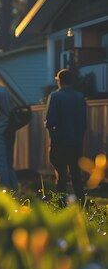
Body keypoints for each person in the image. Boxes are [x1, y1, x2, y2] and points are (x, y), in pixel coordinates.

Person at [45, 68, 87, 203]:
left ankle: (61, 204)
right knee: (76, 175)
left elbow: (50, 121)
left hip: (59, 142)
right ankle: (81, 202)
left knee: (61, 176)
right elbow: (83, 123)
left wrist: (52, 139)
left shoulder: (55, 96)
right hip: (76, 142)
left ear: (59, 81)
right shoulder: (80, 97)